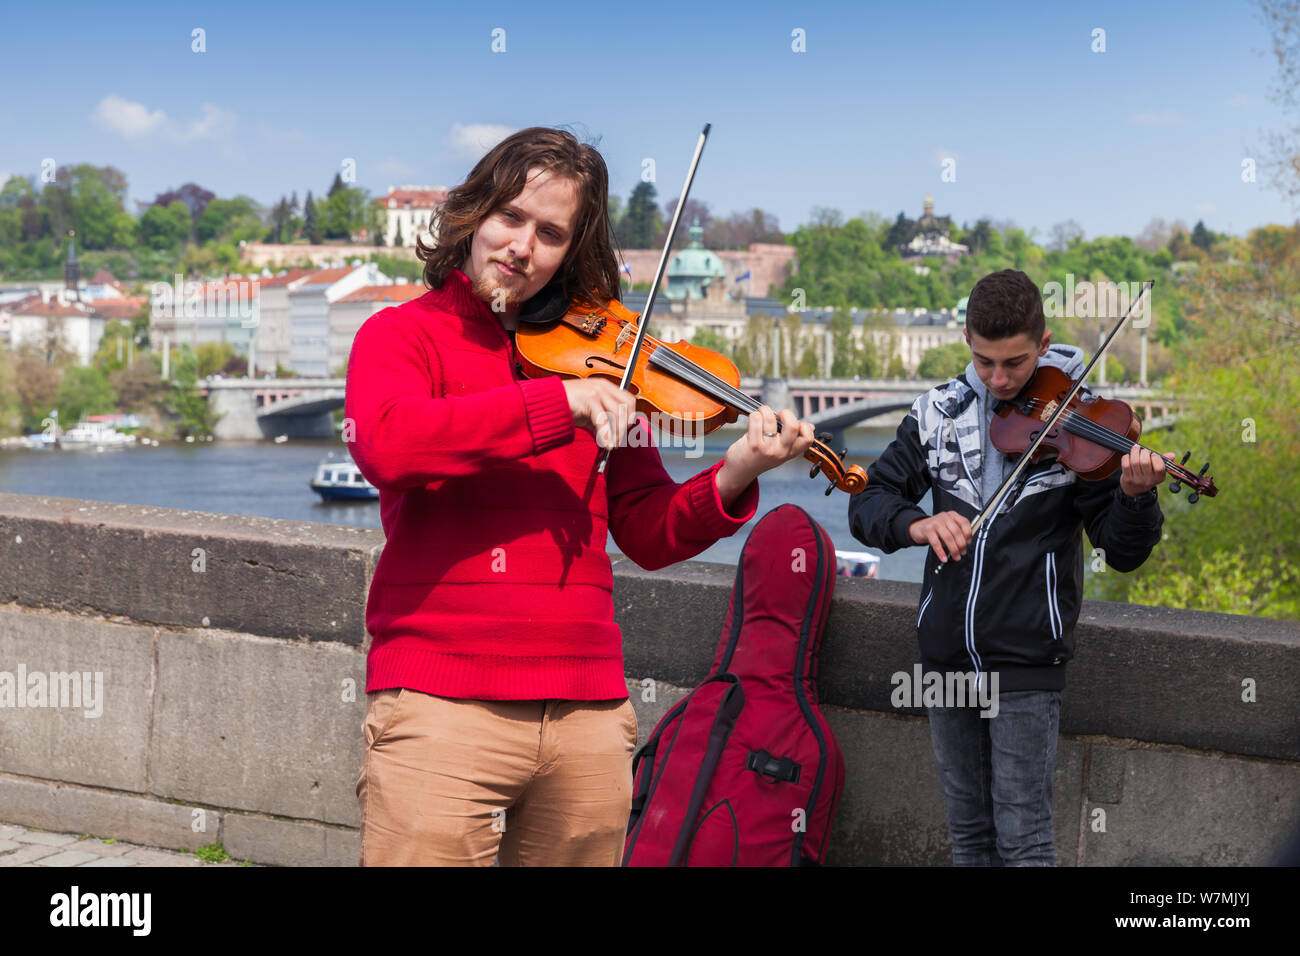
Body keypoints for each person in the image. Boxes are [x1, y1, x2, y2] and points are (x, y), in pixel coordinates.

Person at [345, 126, 814, 866]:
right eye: (510, 217)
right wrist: (556, 405)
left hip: (588, 712)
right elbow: (389, 443)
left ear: (572, 252)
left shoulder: (606, 367)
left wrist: (736, 472)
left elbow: (648, 532)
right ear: (473, 214)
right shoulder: (401, 335)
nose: (522, 246)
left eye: (551, 232)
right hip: (440, 704)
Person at [847, 268, 1170, 866]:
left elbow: (1122, 552)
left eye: (1015, 364)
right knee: (968, 838)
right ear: (967, 340)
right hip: (945, 660)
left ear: (1044, 346)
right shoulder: (935, 413)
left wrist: (1136, 496)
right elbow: (867, 503)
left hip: (1026, 663)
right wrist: (918, 524)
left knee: (1025, 844)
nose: (997, 380)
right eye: (983, 361)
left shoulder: (1087, 426)